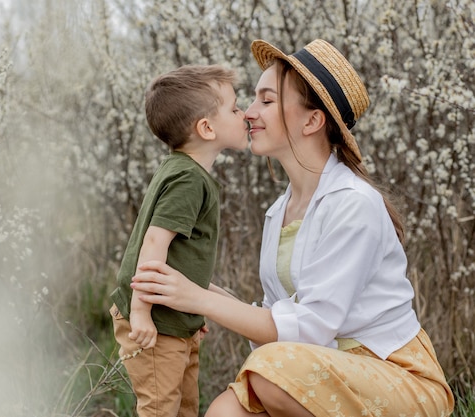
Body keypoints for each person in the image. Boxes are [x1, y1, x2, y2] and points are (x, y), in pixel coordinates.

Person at [130, 39, 455, 417]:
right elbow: (278, 319)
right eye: (252, 100)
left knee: (269, 374)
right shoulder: (279, 210)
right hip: (316, 367)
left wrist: (199, 300)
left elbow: (308, 328)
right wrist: (191, 289)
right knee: (224, 412)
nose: (249, 113)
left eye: (266, 101)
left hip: (396, 375)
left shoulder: (353, 203)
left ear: (312, 120)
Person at [109, 64, 248, 417]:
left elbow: (180, 258)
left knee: (186, 406)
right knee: (161, 409)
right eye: (234, 109)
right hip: (155, 324)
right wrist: (141, 312)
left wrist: (193, 309)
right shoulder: (189, 179)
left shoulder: (183, 170)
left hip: (174, 321)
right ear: (206, 127)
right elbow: (155, 242)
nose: (244, 113)